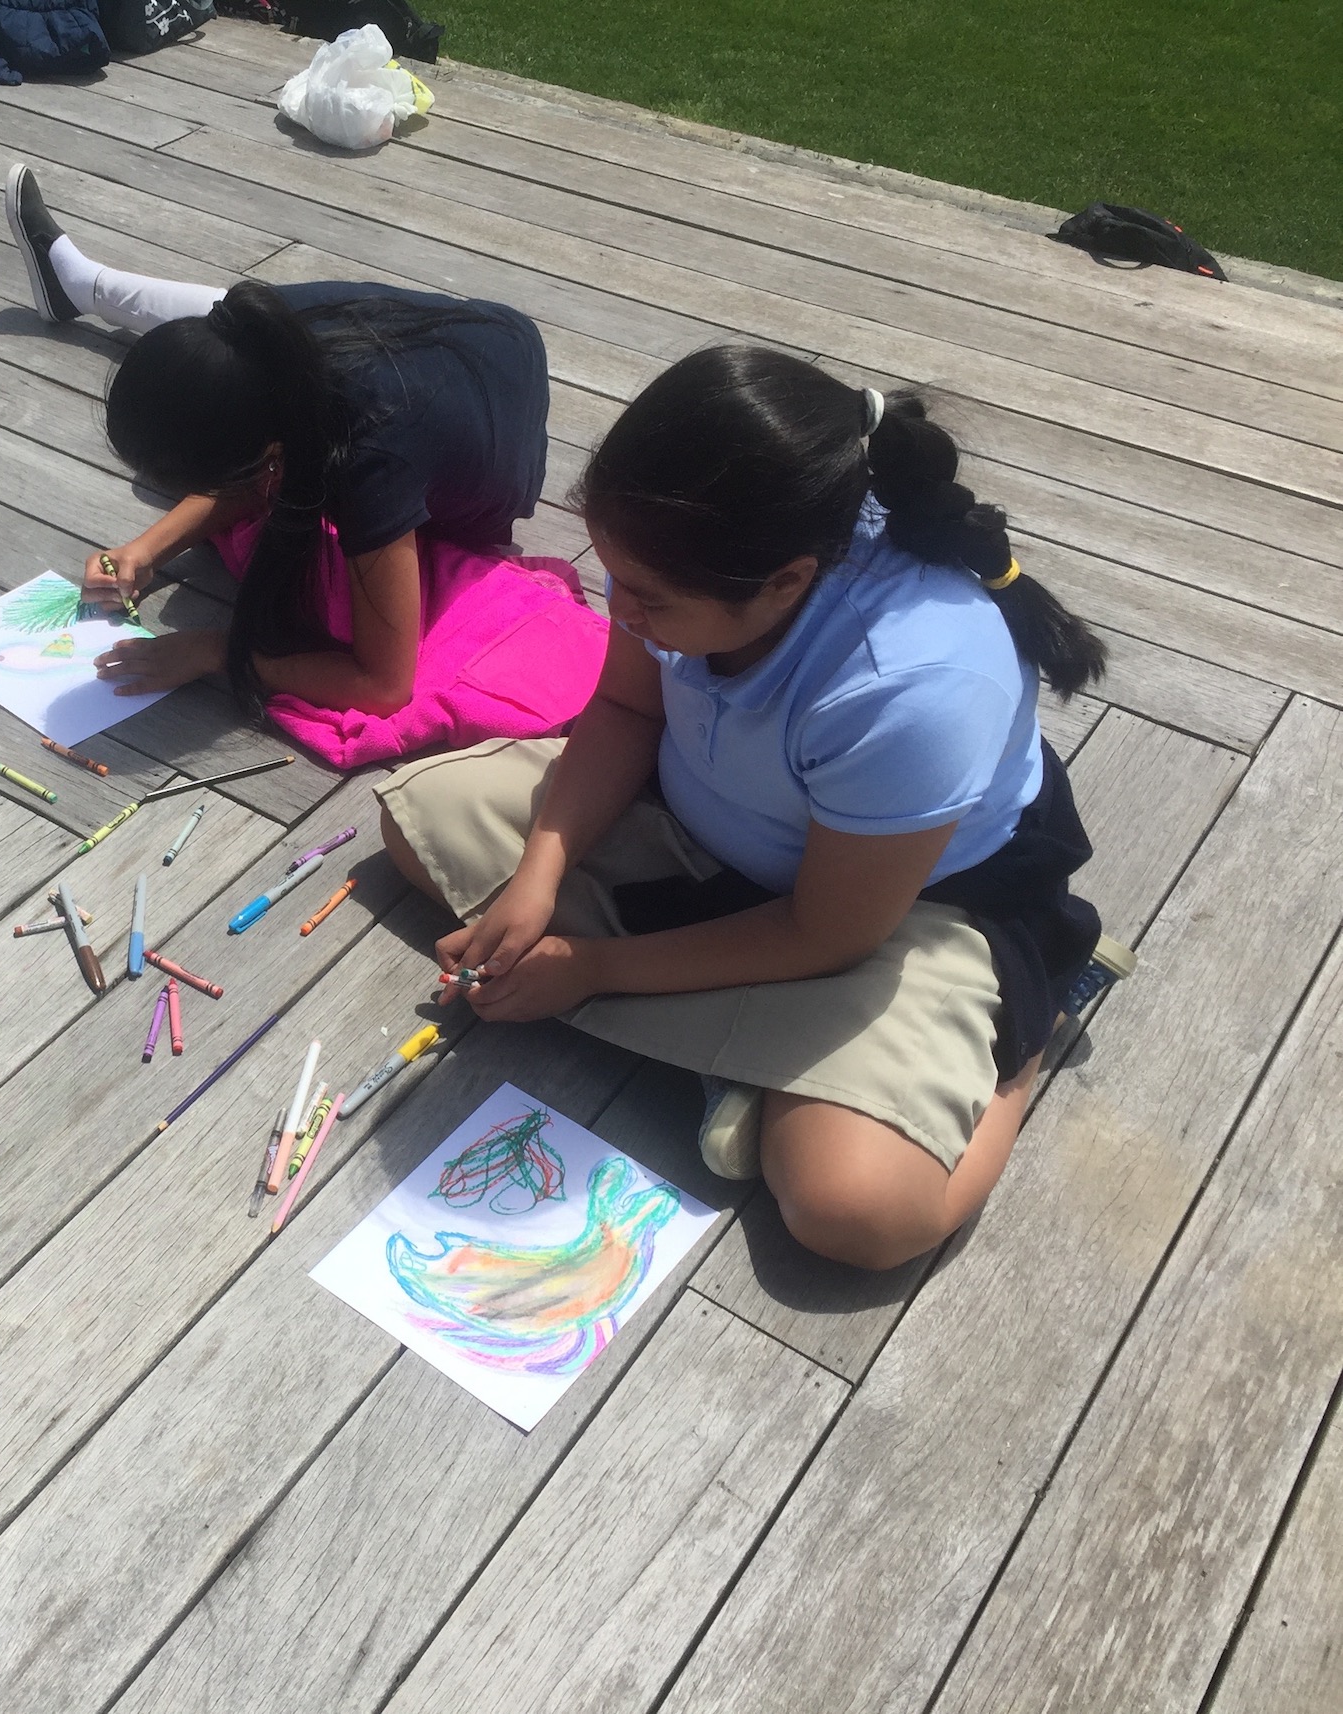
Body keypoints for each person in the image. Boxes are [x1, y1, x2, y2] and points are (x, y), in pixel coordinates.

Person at [379, 347, 1132, 1271]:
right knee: (418, 821)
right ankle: (746, 1049)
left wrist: (594, 968)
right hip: (713, 827)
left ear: (784, 580)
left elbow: (827, 932)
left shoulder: (911, 683)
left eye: (652, 603)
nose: (625, 616)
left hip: (907, 910)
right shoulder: (685, 552)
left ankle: (1025, 1039)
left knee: (856, 1213)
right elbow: (623, 706)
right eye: (621, 582)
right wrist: (540, 878)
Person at [3, 165, 605, 767]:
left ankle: (86, 286)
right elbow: (251, 462)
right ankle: (83, 285)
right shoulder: (258, 332)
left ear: (270, 464)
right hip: (468, 339)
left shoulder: (374, 458)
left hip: (497, 426)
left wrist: (217, 651)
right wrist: (144, 550)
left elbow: (384, 685)